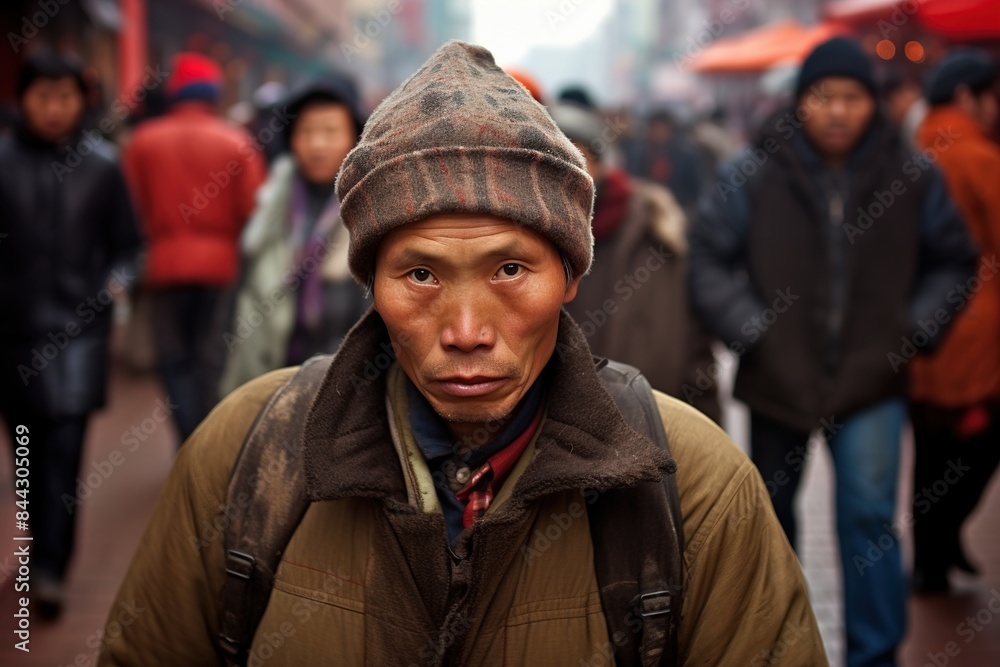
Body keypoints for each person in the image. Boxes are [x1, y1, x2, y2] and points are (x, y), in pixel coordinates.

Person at [98, 41, 826, 666]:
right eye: (421, 275)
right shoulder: (247, 457)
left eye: (510, 270)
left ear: (571, 276)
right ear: (372, 284)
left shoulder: (697, 486)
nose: (468, 329)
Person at [688, 37, 977, 667]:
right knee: (767, 524)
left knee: (870, 521)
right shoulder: (754, 173)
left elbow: (955, 261)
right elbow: (707, 255)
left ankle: (874, 655)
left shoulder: (911, 174)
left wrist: (914, 330)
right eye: (824, 97)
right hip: (777, 377)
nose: (839, 111)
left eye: (852, 97)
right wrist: (752, 329)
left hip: (873, 378)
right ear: (800, 104)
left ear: (872, 104)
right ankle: (773, 649)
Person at [0, 51, 140, 618]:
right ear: (23, 99)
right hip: (11, 335)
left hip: (79, 334)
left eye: (65, 97)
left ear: (81, 101)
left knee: (66, 452)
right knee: (28, 455)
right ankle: (39, 545)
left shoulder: (104, 166)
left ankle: (53, 569)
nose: (54, 109)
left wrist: (116, 282)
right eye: (43, 96)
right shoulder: (2, 162)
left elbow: (130, 245)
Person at [123, 52, 266, 442]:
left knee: (173, 359)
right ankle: (208, 442)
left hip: (164, 265)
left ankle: (188, 439)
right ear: (213, 93)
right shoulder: (237, 142)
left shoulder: (142, 142)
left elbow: (129, 211)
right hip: (222, 268)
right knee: (211, 358)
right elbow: (254, 211)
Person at [551, 102, 721, 423]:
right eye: (550, 161)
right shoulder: (522, 249)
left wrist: (708, 434)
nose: (566, 172)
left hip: (654, 425)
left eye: (577, 156)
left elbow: (695, 348)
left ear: (600, 163)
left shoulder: (655, 233)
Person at [907, 50, 1000, 594]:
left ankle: (932, 556)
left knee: (931, 448)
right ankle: (945, 539)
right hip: (975, 329)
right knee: (980, 441)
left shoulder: (910, 147)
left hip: (918, 326)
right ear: (968, 96)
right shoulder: (979, 157)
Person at [219, 73, 368, 397]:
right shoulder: (272, 204)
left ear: (354, 136)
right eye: (307, 132)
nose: (317, 144)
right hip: (272, 377)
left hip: (344, 383)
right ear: (291, 139)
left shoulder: (371, 208)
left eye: (330, 132)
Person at [630, 108, 710, 214]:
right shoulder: (639, 153)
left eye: (662, 128)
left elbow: (696, 188)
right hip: (649, 209)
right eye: (655, 128)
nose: (659, 132)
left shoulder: (686, 154)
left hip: (679, 208)